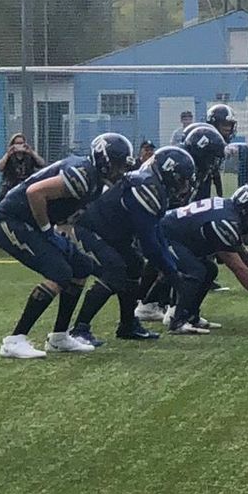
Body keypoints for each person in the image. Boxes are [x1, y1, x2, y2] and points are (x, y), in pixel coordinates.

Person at [0, 133, 142, 358]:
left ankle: (59, 336)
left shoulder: (93, 180)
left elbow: (64, 210)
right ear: (105, 160)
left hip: (30, 223)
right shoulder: (83, 174)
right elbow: (35, 192)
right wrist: (46, 230)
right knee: (59, 272)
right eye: (118, 165)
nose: (120, 171)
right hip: (9, 220)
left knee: (81, 267)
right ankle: (15, 340)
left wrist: (58, 231)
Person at [66, 136, 175, 345]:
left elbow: (156, 231)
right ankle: (79, 328)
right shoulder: (146, 188)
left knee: (134, 264)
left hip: (111, 233)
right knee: (114, 270)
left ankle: (128, 324)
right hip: (90, 228)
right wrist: (171, 270)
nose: (185, 185)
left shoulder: (150, 184)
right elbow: (149, 243)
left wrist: (170, 266)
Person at [156, 185, 248, 335]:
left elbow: (240, 253)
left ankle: (190, 316)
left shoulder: (228, 212)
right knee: (195, 271)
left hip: (173, 235)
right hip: (163, 235)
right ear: (246, 211)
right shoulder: (225, 222)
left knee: (210, 270)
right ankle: (177, 321)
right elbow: (238, 268)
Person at [0, 132, 40, 198]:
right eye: (17, 143)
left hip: (26, 185)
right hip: (10, 186)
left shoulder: (29, 156)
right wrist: (7, 154)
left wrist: (32, 152)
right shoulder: (9, 157)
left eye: (21, 143)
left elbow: (42, 163)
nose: (19, 146)